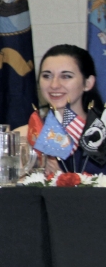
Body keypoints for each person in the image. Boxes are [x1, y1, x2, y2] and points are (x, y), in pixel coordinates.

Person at [28, 44, 105, 174]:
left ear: (88, 83)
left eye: (66, 76)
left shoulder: (102, 132)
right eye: (47, 76)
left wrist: (62, 181)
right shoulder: (28, 134)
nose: (54, 85)